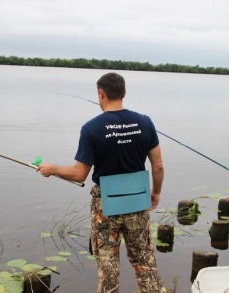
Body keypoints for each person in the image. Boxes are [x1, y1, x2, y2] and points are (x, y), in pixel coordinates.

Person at [37, 72, 166, 293]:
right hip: (138, 200)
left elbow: (79, 174)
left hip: (106, 205)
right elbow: (158, 166)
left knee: (108, 269)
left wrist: (52, 169)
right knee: (145, 263)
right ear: (124, 93)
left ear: (101, 93)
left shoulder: (91, 128)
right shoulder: (145, 122)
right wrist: (155, 193)